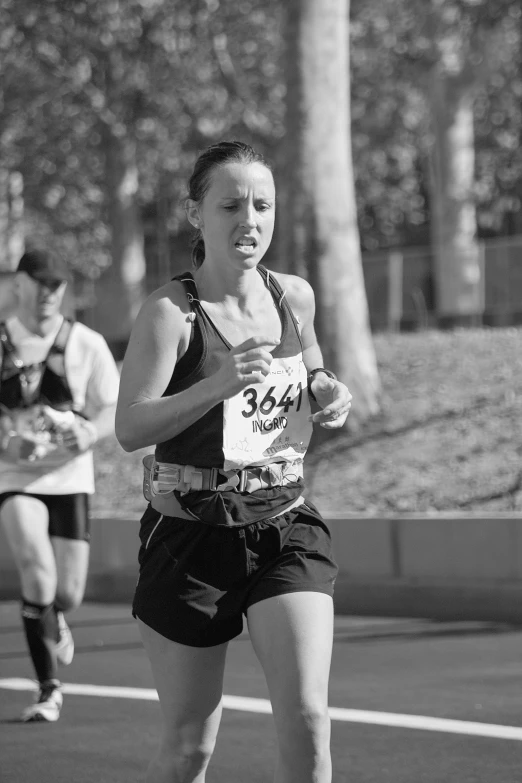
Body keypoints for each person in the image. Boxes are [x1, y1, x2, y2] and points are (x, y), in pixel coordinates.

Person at [116, 140, 352, 783]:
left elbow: (312, 374)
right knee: (190, 747)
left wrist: (328, 391)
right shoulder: (172, 313)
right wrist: (213, 387)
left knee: (308, 718)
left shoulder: (293, 296)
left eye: (262, 205)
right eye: (231, 205)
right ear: (196, 214)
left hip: (286, 525)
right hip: (190, 535)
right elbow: (129, 427)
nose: (249, 220)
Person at [0, 249, 120, 722]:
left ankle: (56, 614)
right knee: (36, 571)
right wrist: (9, 442)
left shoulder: (86, 343)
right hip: (14, 478)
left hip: (70, 478)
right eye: (40, 282)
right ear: (19, 285)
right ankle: (48, 688)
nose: (50, 293)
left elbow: (113, 408)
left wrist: (88, 431)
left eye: (58, 284)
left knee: (67, 593)